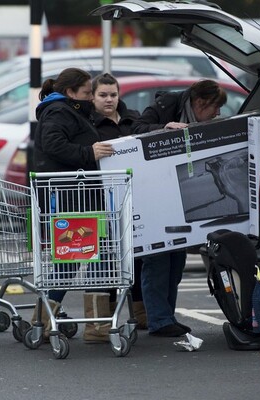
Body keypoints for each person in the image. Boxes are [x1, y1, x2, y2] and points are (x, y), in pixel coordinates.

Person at [132, 79, 228, 337]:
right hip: (154, 194)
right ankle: (159, 320)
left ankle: (167, 316)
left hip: (180, 195)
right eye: (214, 108)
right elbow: (135, 128)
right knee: (157, 260)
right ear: (200, 103)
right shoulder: (165, 105)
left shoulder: (199, 116)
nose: (217, 114)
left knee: (176, 261)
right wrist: (163, 128)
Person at [32, 68, 117, 343]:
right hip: (71, 200)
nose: (92, 98)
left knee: (96, 260)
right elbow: (53, 144)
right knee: (72, 261)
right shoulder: (59, 111)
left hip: (83, 199)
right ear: (71, 93)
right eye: (88, 93)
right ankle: (44, 322)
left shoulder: (69, 110)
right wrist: (88, 152)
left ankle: (94, 326)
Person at [91, 73, 147, 330]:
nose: (109, 99)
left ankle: (141, 314)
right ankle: (102, 320)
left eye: (113, 94)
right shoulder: (89, 124)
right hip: (103, 201)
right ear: (93, 96)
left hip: (134, 199)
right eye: (103, 95)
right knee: (105, 261)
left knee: (136, 258)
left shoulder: (132, 117)